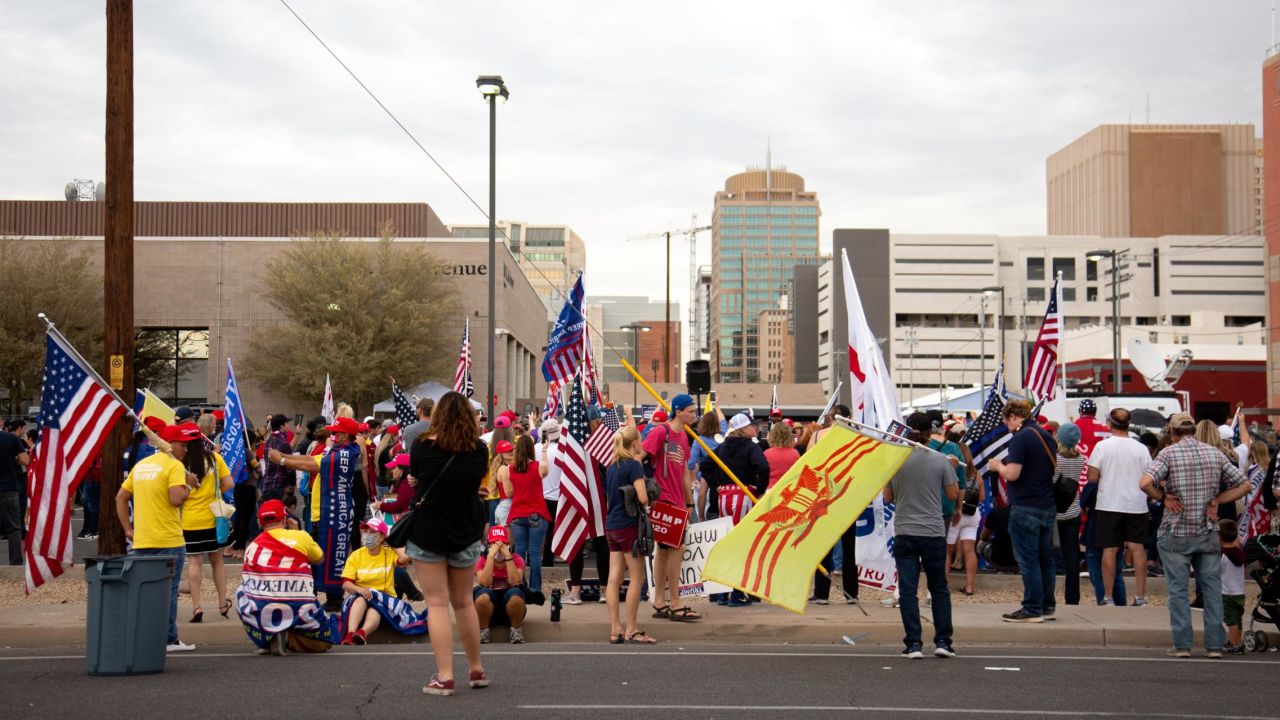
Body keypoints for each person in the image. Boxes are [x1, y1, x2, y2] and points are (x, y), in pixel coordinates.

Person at [1140, 412, 1250, 658]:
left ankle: (1182, 644)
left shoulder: (1168, 453)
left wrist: (1163, 497)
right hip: (1207, 529)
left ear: (1173, 432)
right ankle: (1214, 645)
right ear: (1194, 430)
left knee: (1178, 589)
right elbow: (1245, 485)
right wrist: (1218, 500)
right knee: (1212, 588)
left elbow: (1145, 482)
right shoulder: (1214, 453)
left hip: (1176, 529)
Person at [406, 391, 491, 696]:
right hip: (465, 530)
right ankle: (476, 668)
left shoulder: (421, 446)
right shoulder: (479, 450)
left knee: (437, 604)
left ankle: (445, 675)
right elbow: (472, 485)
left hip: (428, 530)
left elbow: (417, 477)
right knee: (464, 601)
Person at [116, 422, 199, 652]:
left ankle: (145, 637)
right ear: (170, 445)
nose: (185, 449)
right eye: (183, 445)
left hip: (142, 540)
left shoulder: (142, 465)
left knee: (145, 592)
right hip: (168, 540)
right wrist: (189, 486)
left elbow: (120, 498)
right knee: (168, 592)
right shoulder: (174, 466)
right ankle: (168, 639)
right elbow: (176, 498)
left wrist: (128, 529)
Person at [884, 413, 959, 658]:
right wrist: (953, 469)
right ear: (930, 432)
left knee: (907, 590)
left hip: (905, 530)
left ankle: (913, 643)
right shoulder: (940, 460)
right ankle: (943, 641)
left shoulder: (896, 460)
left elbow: (888, 497)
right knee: (939, 589)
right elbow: (952, 494)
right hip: (933, 531)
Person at [269, 416, 362, 612]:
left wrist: (283, 460)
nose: (332, 435)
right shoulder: (336, 451)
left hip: (334, 514)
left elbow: (310, 466)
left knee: (326, 555)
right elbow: (310, 459)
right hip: (324, 512)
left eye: (335, 432)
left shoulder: (344, 454)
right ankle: (311, 595)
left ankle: (330, 598)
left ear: (345, 435)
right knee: (314, 554)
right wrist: (285, 455)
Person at [235, 499, 339, 655]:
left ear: (259, 523)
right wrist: (297, 532)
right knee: (323, 642)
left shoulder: (252, 546)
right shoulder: (301, 537)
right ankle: (288, 637)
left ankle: (267, 638)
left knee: (241, 591)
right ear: (284, 519)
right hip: (300, 608)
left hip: (263, 612)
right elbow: (320, 558)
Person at [988, 399, 1058, 623]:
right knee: (1045, 558)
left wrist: (997, 465)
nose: (1006, 426)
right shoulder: (1045, 436)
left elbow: (1012, 474)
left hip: (1026, 505)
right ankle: (1047, 606)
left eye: (1006, 421)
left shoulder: (1020, 438)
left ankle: (1032, 608)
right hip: (1046, 504)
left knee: (1028, 560)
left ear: (1013, 417)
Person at [642, 394, 702, 622]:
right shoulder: (660, 432)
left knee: (666, 551)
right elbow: (642, 456)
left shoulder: (683, 436)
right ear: (678, 411)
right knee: (676, 549)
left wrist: (689, 503)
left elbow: (685, 472)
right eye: (691, 410)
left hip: (677, 502)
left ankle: (659, 600)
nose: (694, 414)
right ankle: (674, 601)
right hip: (663, 500)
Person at [701, 412, 769, 606]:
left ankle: (724, 591)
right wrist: (760, 490)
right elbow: (763, 467)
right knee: (743, 544)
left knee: (727, 543)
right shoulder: (750, 447)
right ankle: (737, 593)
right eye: (752, 425)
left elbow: (705, 465)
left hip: (724, 499)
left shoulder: (722, 446)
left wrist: (717, 485)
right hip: (744, 497)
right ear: (743, 428)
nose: (755, 428)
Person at [1087, 408, 1153, 606]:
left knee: (1109, 549)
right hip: (1136, 502)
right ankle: (1140, 596)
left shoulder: (1102, 446)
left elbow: (1091, 477)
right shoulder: (1141, 448)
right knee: (1137, 548)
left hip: (1109, 503)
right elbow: (1150, 474)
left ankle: (1108, 597)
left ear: (1109, 423)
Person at [605, 427, 658, 644]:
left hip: (612, 524)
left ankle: (615, 628)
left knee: (614, 579)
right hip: (629, 525)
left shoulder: (611, 467)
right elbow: (643, 498)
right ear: (634, 443)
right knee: (637, 578)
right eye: (640, 439)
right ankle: (632, 629)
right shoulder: (634, 466)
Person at [340, 516, 423, 644]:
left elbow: (405, 558)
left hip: (383, 599)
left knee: (376, 610)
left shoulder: (388, 553)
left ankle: (362, 633)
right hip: (361, 595)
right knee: (359, 600)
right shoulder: (356, 555)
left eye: (372, 532)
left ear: (381, 537)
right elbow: (346, 583)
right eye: (366, 531)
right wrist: (359, 589)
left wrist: (390, 542)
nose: (367, 535)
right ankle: (350, 634)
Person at [181, 434, 234, 623]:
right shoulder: (214, 458)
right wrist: (215, 491)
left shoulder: (180, 461)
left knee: (194, 562)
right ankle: (222, 603)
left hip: (189, 519)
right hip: (214, 518)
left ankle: (196, 606)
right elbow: (229, 483)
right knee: (217, 561)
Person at [509, 435, 552, 594]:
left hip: (517, 514)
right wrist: (545, 450)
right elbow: (546, 471)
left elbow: (509, 492)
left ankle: (518, 586)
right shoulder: (538, 466)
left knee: (519, 552)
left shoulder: (510, 469)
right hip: (536, 513)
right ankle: (535, 588)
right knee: (534, 553)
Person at [474, 524, 528, 644]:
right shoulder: (482, 560)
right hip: (488, 606)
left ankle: (516, 631)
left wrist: (508, 556)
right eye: (495, 544)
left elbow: (515, 582)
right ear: (489, 545)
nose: (498, 548)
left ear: (508, 545)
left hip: (510, 607)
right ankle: (483, 631)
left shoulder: (517, 559)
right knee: (482, 597)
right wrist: (490, 557)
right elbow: (484, 583)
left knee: (516, 595)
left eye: (502, 544)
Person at [0, 423, 30, 565]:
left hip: (8, 487)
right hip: (8, 487)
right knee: (14, 528)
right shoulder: (11, 438)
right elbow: (25, 460)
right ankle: (16, 563)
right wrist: (15, 459)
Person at [535, 419, 562, 569]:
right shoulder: (561, 450)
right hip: (555, 496)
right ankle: (548, 560)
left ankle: (535, 558)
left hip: (538, 495)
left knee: (537, 529)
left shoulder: (535, 448)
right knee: (551, 530)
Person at [1219, 518, 1247, 654]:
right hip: (1240, 592)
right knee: (1238, 619)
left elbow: (1216, 571)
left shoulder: (1223, 555)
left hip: (1227, 593)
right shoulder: (1239, 554)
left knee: (1231, 621)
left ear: (1219, 537)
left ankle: (1232, 644)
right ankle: (1238, 642)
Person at [260, 414, 295, 502]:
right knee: (280, 513)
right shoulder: (284, 443)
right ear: (281, 426)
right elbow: (290, 467)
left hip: (266, 485)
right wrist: (293, 483)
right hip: (280, 486)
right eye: (287, 423)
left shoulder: (267, 442)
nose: (289, 425)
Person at [764, 421, 801, 491]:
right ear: (789, 436)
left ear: (773, 435)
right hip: (789, 489)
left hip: (771, 490)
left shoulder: (767, 453)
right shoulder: (795, 453)